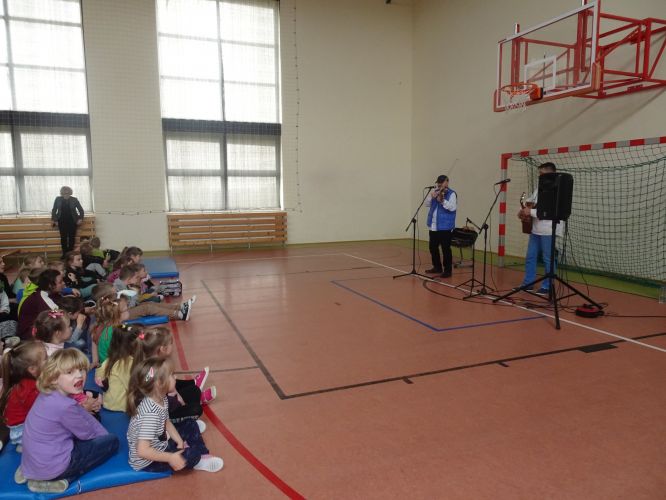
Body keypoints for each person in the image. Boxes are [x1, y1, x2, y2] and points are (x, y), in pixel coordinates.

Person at [16, 349, 118, 494]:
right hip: (52, 467)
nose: (79, 375)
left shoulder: (48, 394)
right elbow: (87, 435)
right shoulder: (65, 406)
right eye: (70, 372)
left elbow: (81, 414)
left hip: (33, 460)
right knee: (112, 442)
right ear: (53, 378)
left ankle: (31, 472)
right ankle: (57, 480)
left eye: (82, 370)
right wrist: (104, 437)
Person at [126, 357, 223, 474]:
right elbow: (142, 451)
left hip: (160, 442)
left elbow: (166, 422)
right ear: (159, 383)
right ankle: (199, 460)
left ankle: (201, 454)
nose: (175, 377)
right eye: (171, 375)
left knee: (191, 423)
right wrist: (170, 458)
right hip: (149, 461)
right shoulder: (150, 415)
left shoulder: (161, 398)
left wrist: (179, 441)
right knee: (189, 455)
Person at [515, 162, 562, 296]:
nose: (540, 176)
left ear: (551, 173)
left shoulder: (556, 190)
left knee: (548, 258)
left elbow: (546, 211)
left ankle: (547, 286)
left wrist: (529, 212)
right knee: (531, 256)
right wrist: (522, 211)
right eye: (539, 174)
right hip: (535, 229)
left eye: (542, 174)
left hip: (548, 230)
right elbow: (530, 203)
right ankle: (528, 284)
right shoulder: (539, 188)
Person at [0, 341, 48, 451]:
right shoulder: (29, 389)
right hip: (22, 433)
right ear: (32, 369)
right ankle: (26, 445)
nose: (49, 359)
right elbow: (42, 412)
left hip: (18, 429)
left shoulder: (25, 382)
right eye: (46, 358)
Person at [425, 175, 457, 278]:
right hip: (433, 225)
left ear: (447, 182)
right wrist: (431, 196)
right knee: (433, 247)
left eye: (441, 182)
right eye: (438, 182)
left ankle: (448, 270)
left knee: (445, 249)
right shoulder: (435, 191)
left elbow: (452, 208)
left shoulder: (451, 194)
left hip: (445, 226)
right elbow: (426, 204)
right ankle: (437, 267)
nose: (439, 184)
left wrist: (442, 201)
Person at [51, 186, 84, 258]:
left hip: (72, 221)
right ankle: (64, 254)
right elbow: (54, 210)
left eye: (67, 193)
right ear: (62, 193)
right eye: (64, 193)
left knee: (72, 238)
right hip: (61, 221)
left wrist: (80, 219)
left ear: (70, 193)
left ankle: (70, 254)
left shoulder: (74, 199)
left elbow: (81, 210)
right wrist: (55, 220)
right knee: (63, 238)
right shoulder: (58, 199)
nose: (66, 194)